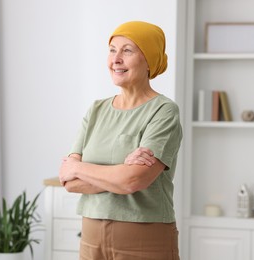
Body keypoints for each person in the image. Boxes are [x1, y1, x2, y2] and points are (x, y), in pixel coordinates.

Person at [59, 21, 182, 260]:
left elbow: (133, 181)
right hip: (91, 237)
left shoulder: (164, 111)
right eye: (112, 50)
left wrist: (79, 167)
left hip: (144, 237)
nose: (116, 59)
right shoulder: (96, 110)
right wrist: (121, 173)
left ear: (149, 59)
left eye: (127, 50)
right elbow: (69, 181)